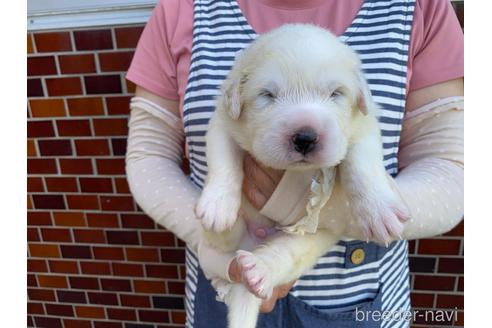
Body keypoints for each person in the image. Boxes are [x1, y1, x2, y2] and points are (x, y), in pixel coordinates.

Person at [125, 0, 464, 327]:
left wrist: (337, 205)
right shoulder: (181, 8)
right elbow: (149, 155)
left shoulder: (418, 7)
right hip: (224, 282)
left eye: (335, 94)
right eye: (268, 95)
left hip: (361, 298)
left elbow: (453, 172)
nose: (305, 129)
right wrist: (216, 243)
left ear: (360, 94)